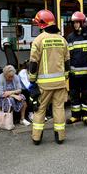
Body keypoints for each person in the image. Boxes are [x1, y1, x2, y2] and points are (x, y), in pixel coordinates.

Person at [28, 9, 70, 145]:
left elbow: (33, 63)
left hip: (44, 85)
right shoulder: (62, 40)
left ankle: (36, 137)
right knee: (58, 108)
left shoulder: (38, 40)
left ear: (41, 24)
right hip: (60, 83)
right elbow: (67, 62)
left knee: (40, 110)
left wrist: (31, 80)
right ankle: (60, 137)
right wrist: (65, 77)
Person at [66, 11, 87, 126]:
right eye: (74, 22)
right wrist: (67, 71)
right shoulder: (70, 37)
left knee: (86, 94)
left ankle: (85, 115)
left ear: (82, 22)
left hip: (86, 73)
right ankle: (75, 116)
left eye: (77, 22)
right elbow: (67, 56)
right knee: (74, 95)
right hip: (74, 74)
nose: (75, 25)